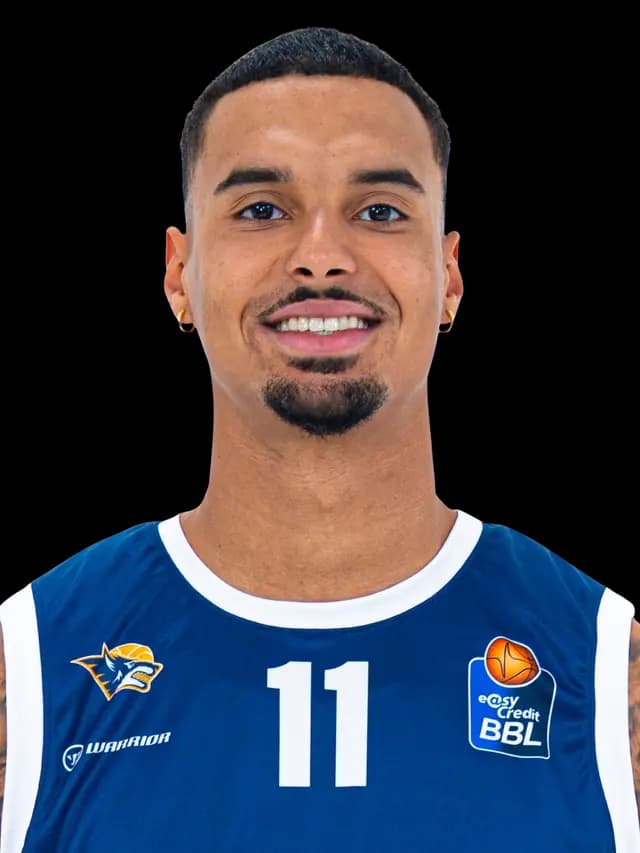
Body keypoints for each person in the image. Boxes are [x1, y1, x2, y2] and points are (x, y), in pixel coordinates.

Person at [1, 25, 638, 852]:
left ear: (448, 274)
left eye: (379, 211)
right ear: (178, 274)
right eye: (261, 210)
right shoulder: (34, 662)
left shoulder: (603, 664)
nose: (322, 257)